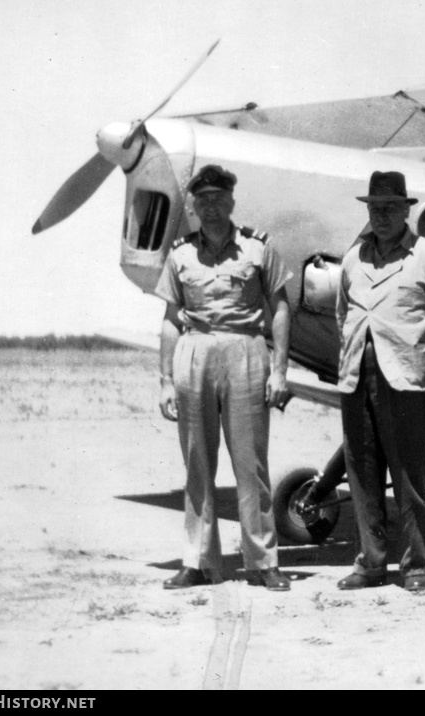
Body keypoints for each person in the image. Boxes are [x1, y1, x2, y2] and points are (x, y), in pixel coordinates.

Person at [156, 164, 292, 591]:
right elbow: (170, 320)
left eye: (219, 199)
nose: (211, 207)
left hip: (246, 350)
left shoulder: (257, 249)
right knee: (197, 462)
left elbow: (281, 306)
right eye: (203, 201)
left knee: (251, 463)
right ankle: (197, 561)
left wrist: (281, 370)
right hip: (194, 351)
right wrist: (164, 380)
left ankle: (262, 562)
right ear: (193, 208)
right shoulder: (179, 255)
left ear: (232, 202)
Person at [335, 170, 425, 593]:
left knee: (409, 477)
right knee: (362, 473)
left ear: (406, 211)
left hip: (407, 381)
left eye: (390, 208)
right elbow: (343, 314)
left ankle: (414, 566)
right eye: (375, 208)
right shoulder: (354, 257)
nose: (382, 216)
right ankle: (371, 563)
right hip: (357, 378)